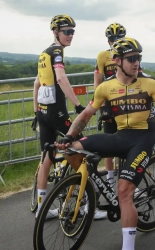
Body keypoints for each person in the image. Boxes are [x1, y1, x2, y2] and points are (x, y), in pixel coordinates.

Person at [55, 37, 155, 250]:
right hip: (120, 137)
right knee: (73, 151)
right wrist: (68, 136)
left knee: (124, 192)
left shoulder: (149, 84)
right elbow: (86, 115)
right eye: (131, 58)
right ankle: (91, 191)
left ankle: (128, 247)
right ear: (117, 61)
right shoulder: (106, 87)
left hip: (142, 139)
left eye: (138, 58)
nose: (136, 62)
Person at [33, 14, 86, 219]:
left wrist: (36, 110)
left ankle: (42, 208)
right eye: (67, 32)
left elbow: (37, 83)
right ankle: (83, 204)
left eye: (73, 31)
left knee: (47, 156)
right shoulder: (56, 51)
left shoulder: (43, 53)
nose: (70, 35)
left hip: (44, 112)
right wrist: (78, 105)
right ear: (56, 32)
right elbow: (62, 78)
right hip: (57, 111)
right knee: (81, 147)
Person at [94, 22, 126, 188]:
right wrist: (101, 107)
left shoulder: (129, 55)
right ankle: (111, 180)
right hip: (109, 105)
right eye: (112, 39)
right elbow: (98, 84)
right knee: (108, 146)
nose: (115, 41)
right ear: (108, 41)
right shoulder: (102, 56)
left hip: (125, 105)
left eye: (119, 38)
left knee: (127, 144)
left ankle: (127, 181)